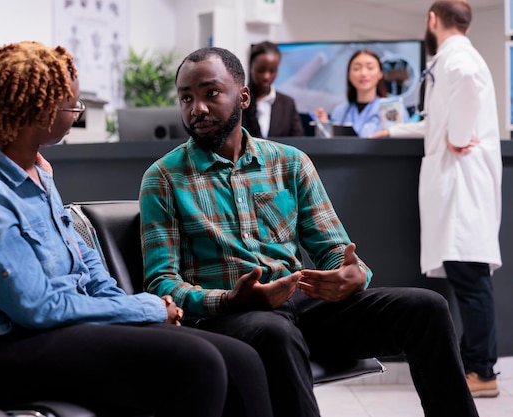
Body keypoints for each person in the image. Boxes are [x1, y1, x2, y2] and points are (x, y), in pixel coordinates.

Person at [139, 45, 479, 417]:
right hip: (230, 318)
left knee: (426, 307)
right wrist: (229, 300)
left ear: (244, 96)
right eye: (186, 98)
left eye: (211, 93)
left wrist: (352, 274)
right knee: (274, 332)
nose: (197, 109)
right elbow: (161, 284)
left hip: (299, 302)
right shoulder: (164, 178)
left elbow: (336, 251)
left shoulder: (290, 163)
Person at [0, 41, 274, 417]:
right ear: (42, 113)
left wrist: (128, 308)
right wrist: (143, 309)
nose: (77, 114)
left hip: (57, 330)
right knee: (198, 363)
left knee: (241, 359)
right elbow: (37, 308)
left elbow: (86, 267)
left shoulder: (38, 173)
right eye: (73, 107)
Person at [370, 0, 502, 398]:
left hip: (463, 187)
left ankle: (482, 370)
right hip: (457, 186)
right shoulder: (452, 57)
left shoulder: (457, 59)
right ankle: (474, 365)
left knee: (472, 280)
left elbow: (459, 99)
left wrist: (459, 137)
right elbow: (435, 122)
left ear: (432, 20)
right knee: (467, 278)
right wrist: (392, 133)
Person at [315, 49, 410, 137]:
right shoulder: (339, 112)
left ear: (380, 74)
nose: (363, 73)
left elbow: (402, 143)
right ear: (349, 75)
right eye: (357, 68)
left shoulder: (393, 108)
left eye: (370, 68)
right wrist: (324, 126)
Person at [242, 41, 304, 138]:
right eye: (261, 70)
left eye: (272, 71)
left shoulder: (287, 104)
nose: (266, 76)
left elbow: (298, 143)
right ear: (251, 67)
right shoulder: (238, 101)